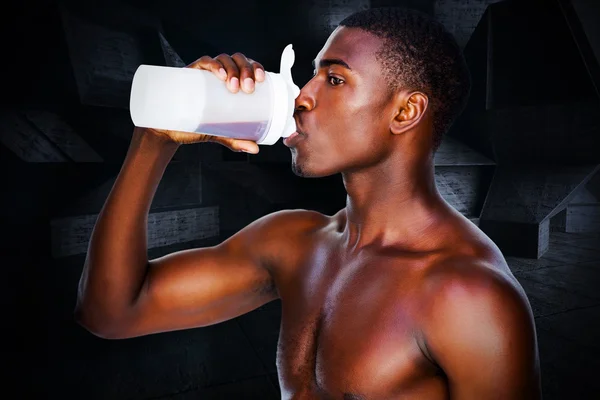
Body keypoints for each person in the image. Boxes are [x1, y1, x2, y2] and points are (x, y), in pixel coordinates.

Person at [75, 7, 542, 399]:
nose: (303, 96)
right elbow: (112, 312)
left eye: (334, 79)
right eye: (313, 75)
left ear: (405, 111)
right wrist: (156, 136)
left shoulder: (468, 294)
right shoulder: (294, 242)